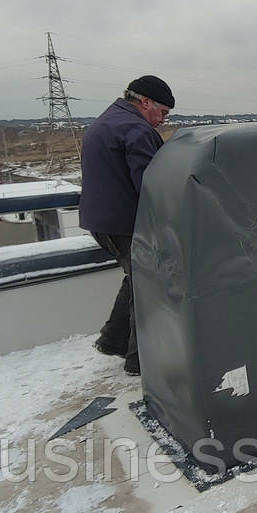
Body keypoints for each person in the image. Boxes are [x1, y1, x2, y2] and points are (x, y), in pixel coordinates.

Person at [79, 75, 174, 375]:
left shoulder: (107, 121)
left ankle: (113, 340)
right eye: (163, 113)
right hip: (125, 223)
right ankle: (140, 359)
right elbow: (151, 185)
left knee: (136, 277)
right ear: (145, 102)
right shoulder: (136, 130)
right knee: (148, 285)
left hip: (101, 222)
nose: (161, 121)